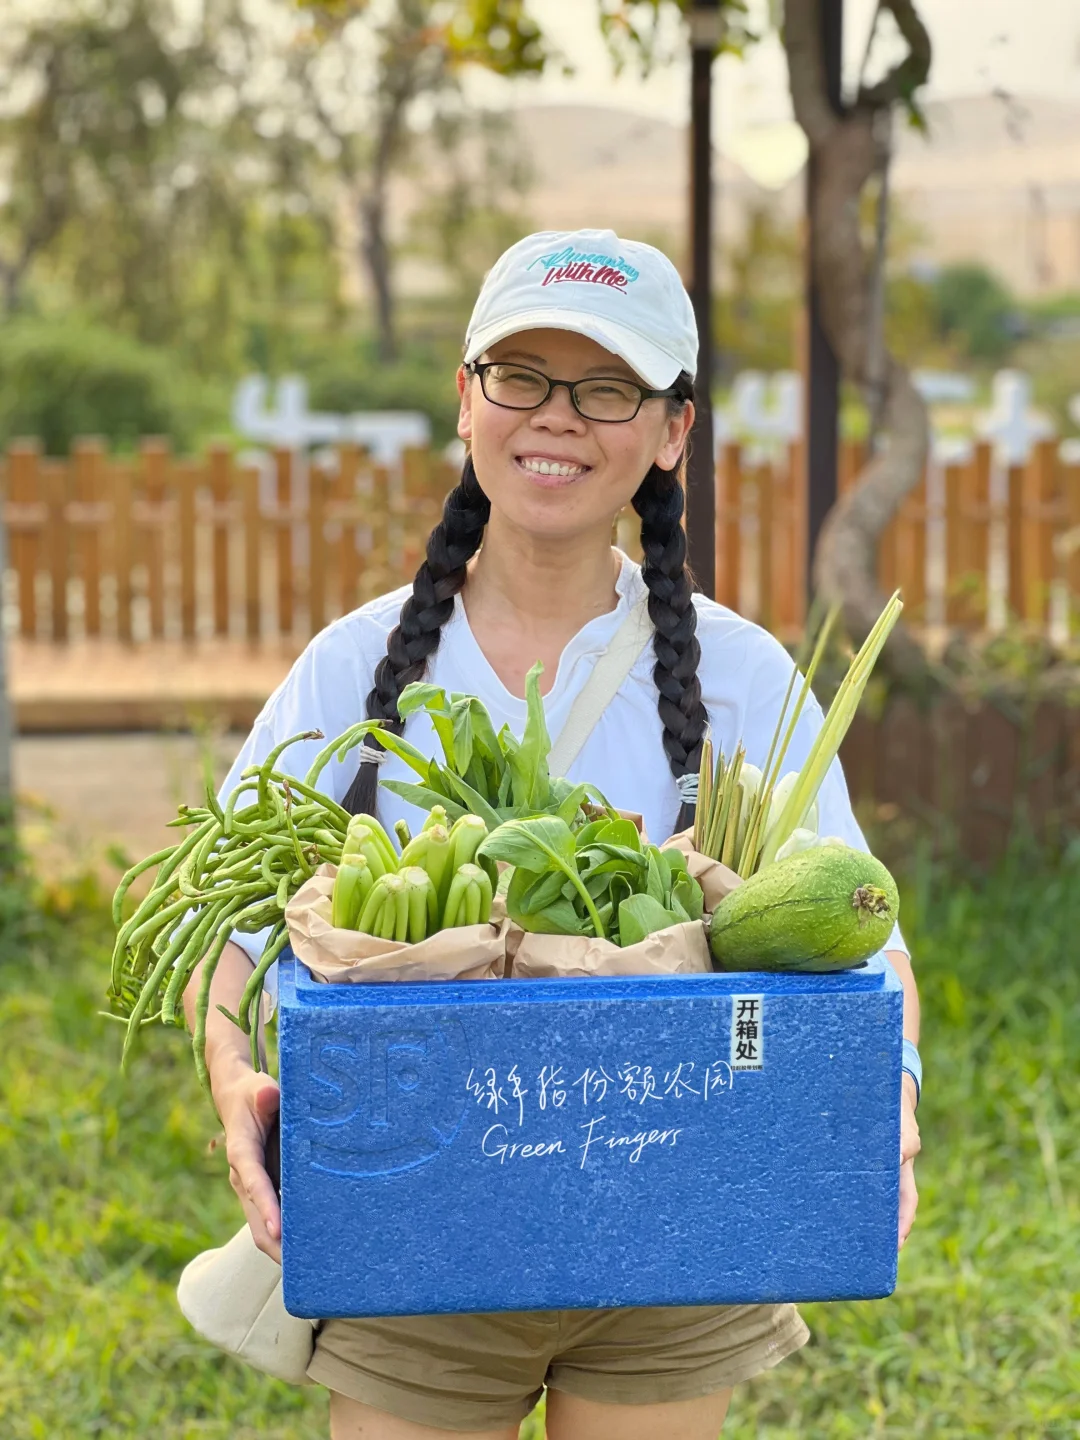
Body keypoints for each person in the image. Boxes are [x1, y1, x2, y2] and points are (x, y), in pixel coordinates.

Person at [184, 228, 921, 1440]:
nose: (557, 418)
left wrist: (888, 1088)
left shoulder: (738, 677)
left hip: (674, 1225)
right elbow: (233, 928)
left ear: (673, 430)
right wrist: (235, 1085)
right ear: (465, 399)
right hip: (415, 1216)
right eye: (521, 375)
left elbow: (859, 935)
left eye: (608, 388)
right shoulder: (348, 670)